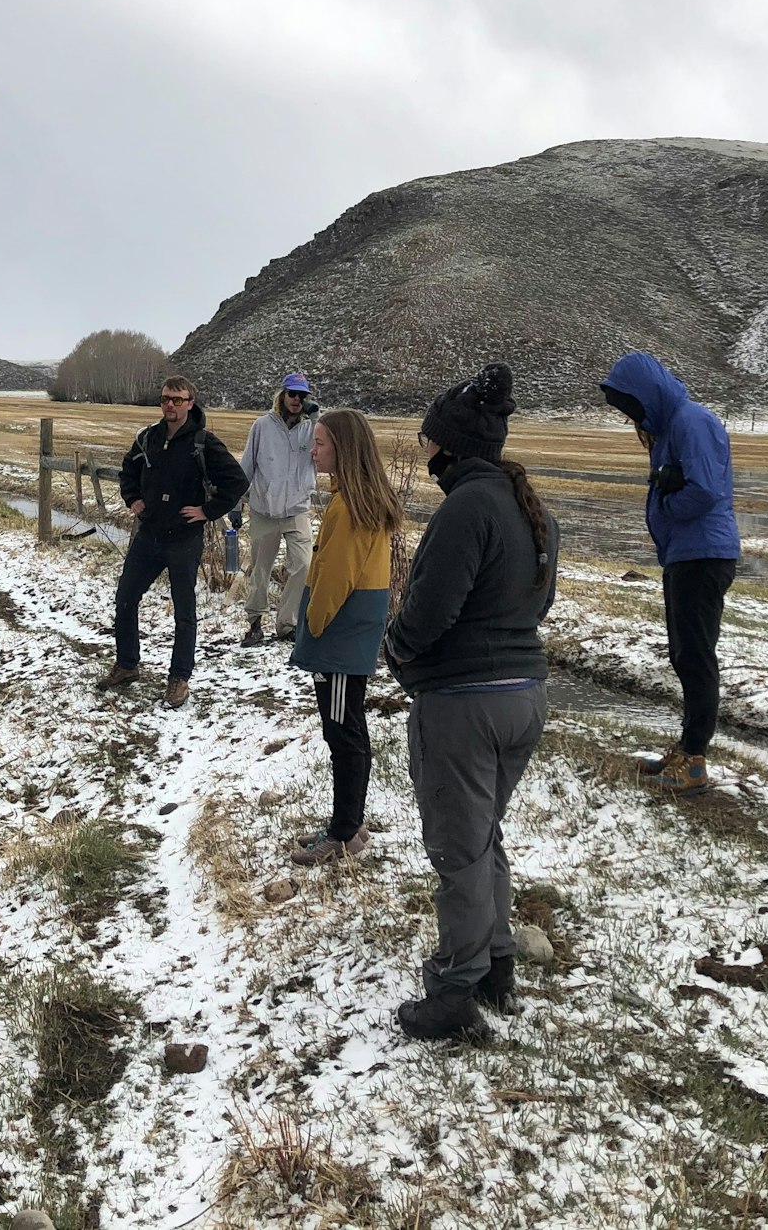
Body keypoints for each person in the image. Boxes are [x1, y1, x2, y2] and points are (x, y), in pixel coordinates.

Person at [385, 363, 559, 1040]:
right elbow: (537, 604)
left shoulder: (467, 507)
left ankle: (454, 993)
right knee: (484, 838)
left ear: (450, 444)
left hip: (463, 705)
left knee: (458, 849)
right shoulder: (530, 506)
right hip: (524, 696)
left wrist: (397, 649)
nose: (424, 450)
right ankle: (495, 965)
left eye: (428, 439)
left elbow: (429, 611)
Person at [598, 352, 740, 794]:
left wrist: (665, 502)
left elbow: (704, 491)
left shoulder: (691, 422)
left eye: (632, 407)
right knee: (685, 652)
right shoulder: (671, 427)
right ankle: (687, 748)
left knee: (695, 655)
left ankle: (695, 759)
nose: (632, 418)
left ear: (647, 395)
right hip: (687, 552)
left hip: (702, 553)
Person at [288, 409, 403, 866]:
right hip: (353, 631)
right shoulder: (357, 498)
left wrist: (313, 624)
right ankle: (349, 826)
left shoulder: (349, 506)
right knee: (349, 727)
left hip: (339, 636)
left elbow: (334, 577)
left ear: (344, 449)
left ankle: (342, 834)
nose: (312, 450)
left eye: (319, 443)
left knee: (342, 732)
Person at [100, 375, 248, 708]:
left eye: (178, 399)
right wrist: (132, 498)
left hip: (183, 538)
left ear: (190, 403)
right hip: (149, 535)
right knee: (125, 599)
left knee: (184, 612)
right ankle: (127, 665)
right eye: (166, 398)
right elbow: (128, 470)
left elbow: (237, 481)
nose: (170, 404)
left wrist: (207, 511)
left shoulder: (203, 443)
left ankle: (179, 679)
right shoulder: (147, 438)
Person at [239, 373, 320, 647]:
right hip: (264, 510)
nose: (297, 400)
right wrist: (236, 504)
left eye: (302, 395)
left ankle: (287, 624)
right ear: (282, 396)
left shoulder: (312, 429)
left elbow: (330, 447)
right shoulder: (262, 426)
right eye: (292, 394)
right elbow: (247, 466)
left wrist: (317, 418)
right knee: (260, 569)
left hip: (297, 510)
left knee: (305, 565)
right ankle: (254, 623)